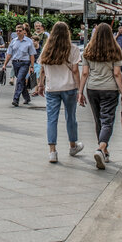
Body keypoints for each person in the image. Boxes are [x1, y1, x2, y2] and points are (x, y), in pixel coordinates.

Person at [34, 21, 83, 163]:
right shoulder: (73, 49)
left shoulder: (47, 49)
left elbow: (42, 69)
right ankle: (73, 146)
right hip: (69, 87)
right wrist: (80, 90)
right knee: (71, 117)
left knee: (51, 119)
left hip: (52, 88)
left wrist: (40, 85)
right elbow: (75, 70)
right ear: (67, 33)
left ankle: (52, 151)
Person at [78, 22, 122, 169]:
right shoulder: (115, 50)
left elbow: (85, 73)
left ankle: (104, 150)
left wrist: (80, 92)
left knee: (98, 120)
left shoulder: (88, 49)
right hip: (110, 89)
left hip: (92, 88)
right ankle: (101, 148)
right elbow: (117, 74)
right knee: (107, 120)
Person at [3, 24, 37, 106]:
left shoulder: (29, 41)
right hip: (15, 63)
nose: (18, 32)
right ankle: (27, 98)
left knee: (19, 80)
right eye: (17, 31)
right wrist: (4, 64)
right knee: (21, 81)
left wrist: (32, 66)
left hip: (25, 63)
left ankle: (16, 99)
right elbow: (9, 54)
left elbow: (32, 55)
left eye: (20, 31)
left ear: (24, 31)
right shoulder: (13, 41)